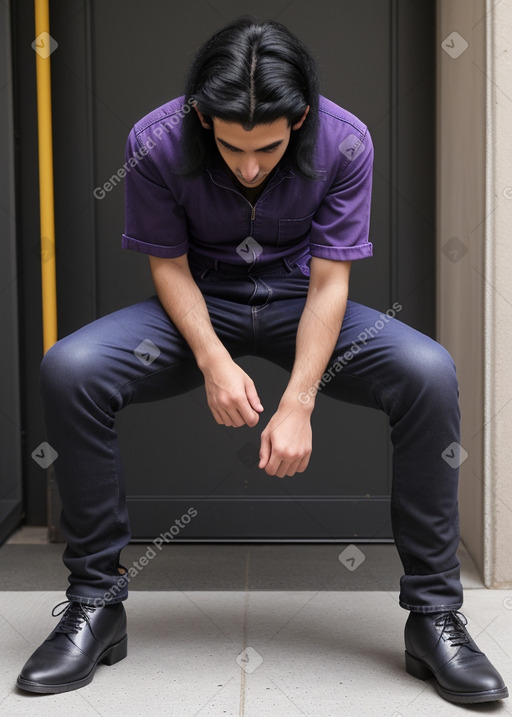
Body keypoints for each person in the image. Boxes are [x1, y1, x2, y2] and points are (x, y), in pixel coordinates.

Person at [17, 17, 507, 704]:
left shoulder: (345, 141)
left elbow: (332, 282)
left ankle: (434, 617)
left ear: (300, 120)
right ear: (200, 116)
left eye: (268, 149)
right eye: (231, 146)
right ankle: (95, 605)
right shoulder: (156, 143)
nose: (249, 166)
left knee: (426, 372)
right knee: (71, 367)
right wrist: (214, 360)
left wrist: (300, 399)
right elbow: (169, 266)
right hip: (198, 304)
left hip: (300, 300)